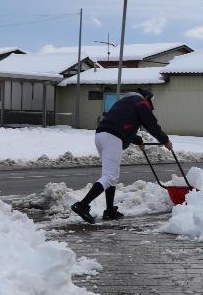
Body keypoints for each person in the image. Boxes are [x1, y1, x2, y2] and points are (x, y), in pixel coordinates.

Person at [71, 87, 173, 223]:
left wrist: (138, 140)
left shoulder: (124, 103)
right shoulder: (140, 102)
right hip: (112, 137)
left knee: (112, 176)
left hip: (101, 135)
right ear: (147, 98)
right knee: (109, 176)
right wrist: (164, 139)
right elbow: (151, 124)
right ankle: (82, 205)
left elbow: (123, 126)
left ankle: (109, 211)